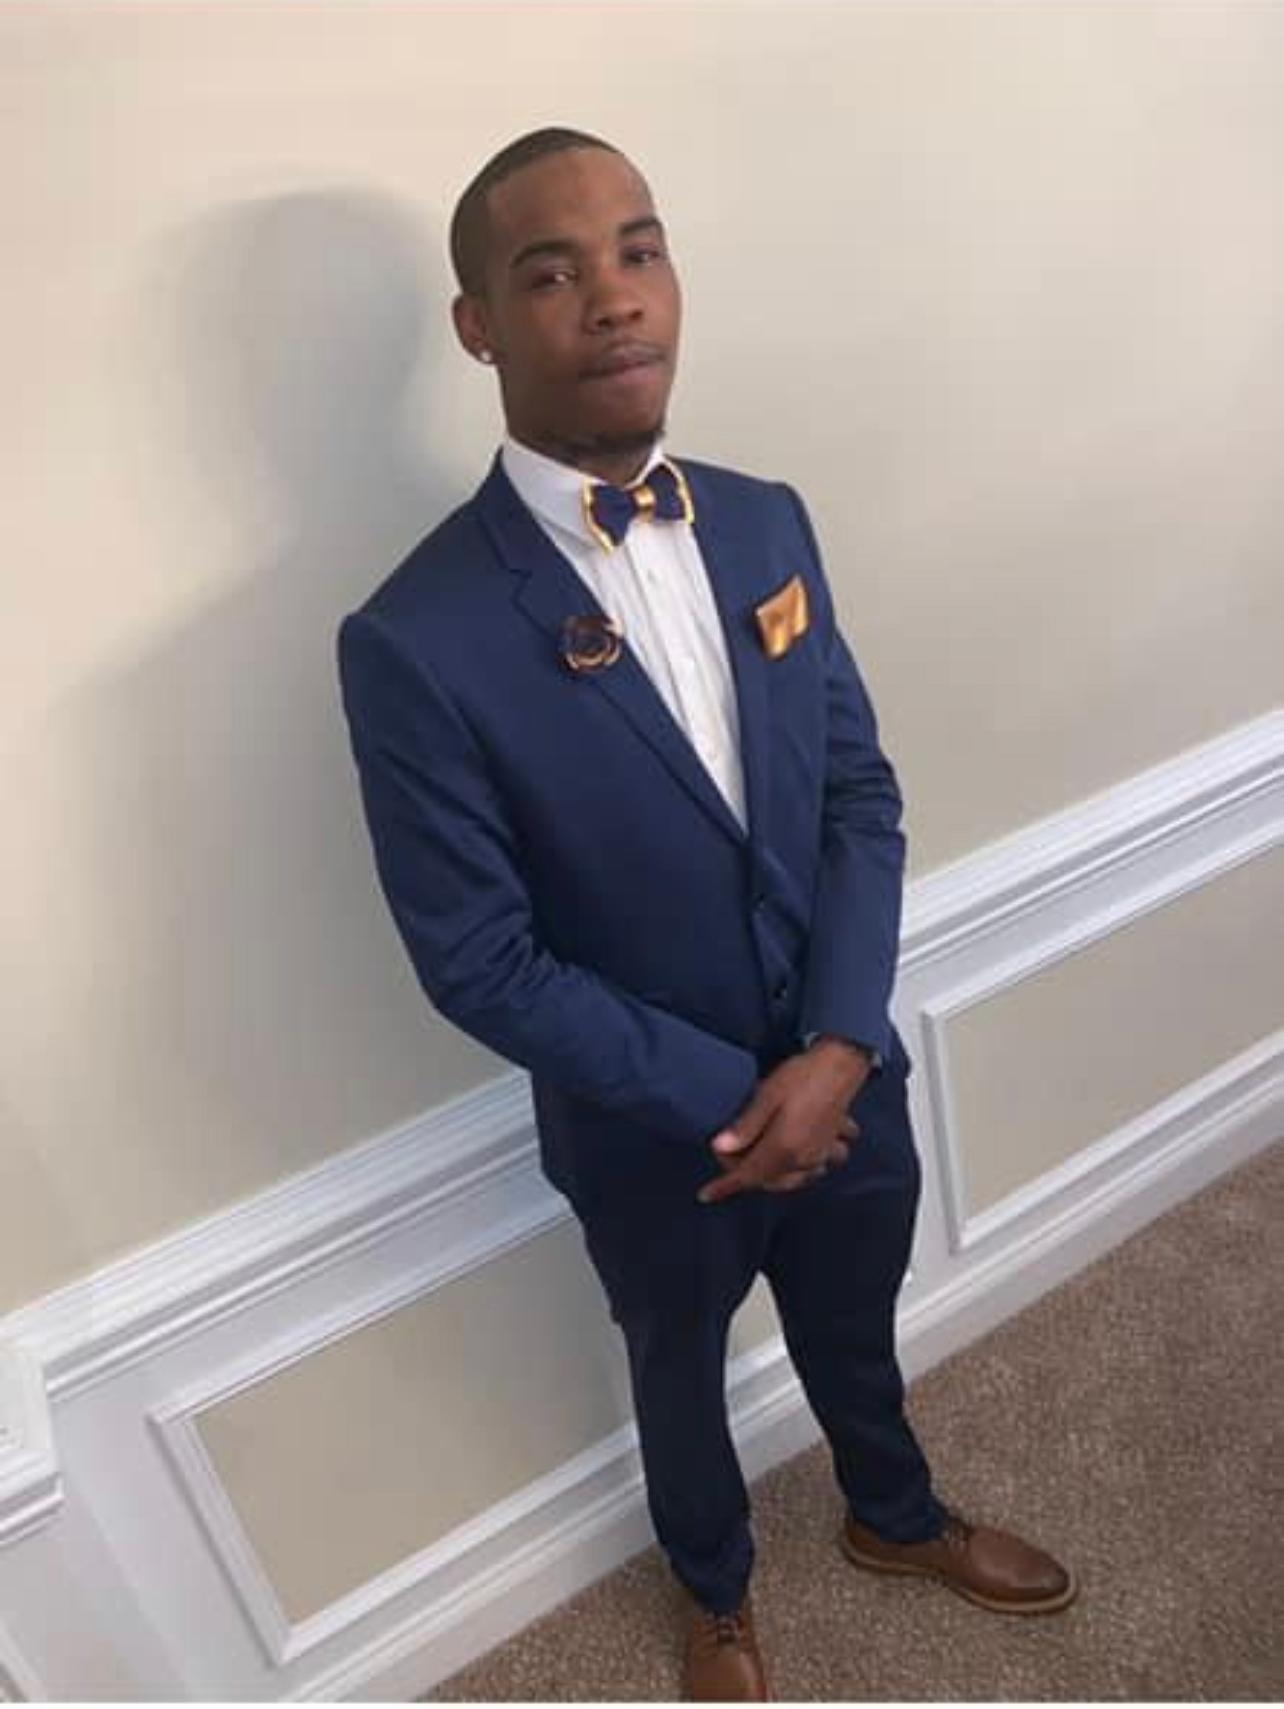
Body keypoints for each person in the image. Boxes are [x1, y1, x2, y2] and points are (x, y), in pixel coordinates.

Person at [336, 126, 1076, 1701]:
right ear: (477, 325)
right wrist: (742, 1103)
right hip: (655, 1131)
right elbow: (478, 958)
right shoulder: (414, 635)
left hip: (847, 1067)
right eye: (551, 271)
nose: (614, 297)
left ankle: (893, 1511)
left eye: (640, 251)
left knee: (855, 1319)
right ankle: (716, 1585)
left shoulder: (766, 520)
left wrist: (837, 1046)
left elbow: (857, 794)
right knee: (679, 1370)